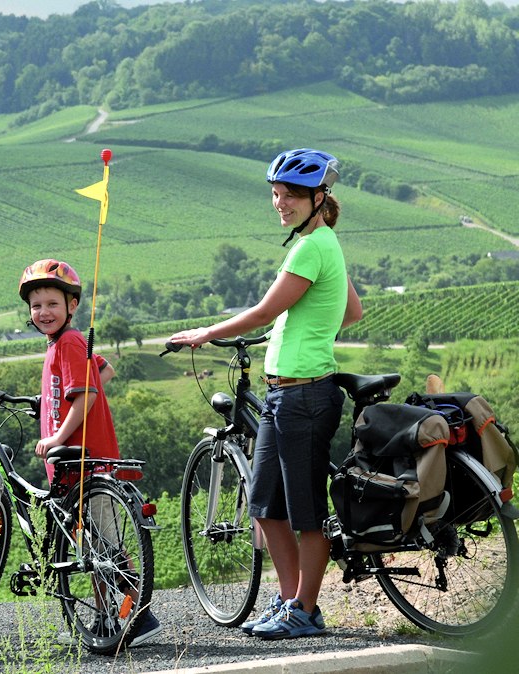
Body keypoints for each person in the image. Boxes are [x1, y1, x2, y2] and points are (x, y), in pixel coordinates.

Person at [168, 148, 363, 640]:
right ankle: (291, 601)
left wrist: (204, 334)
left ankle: (306, 611)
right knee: (266, 505)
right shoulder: (324, 243)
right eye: (277, 195)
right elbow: (351, 310)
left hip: (306, 395)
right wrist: (304, 329)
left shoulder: (310, 247)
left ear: (319, 198)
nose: (281, 203)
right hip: (285, 394)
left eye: (292, 195)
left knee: (306, 513)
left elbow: (260, 312)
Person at [19, 258, 162, 647]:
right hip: (75, 461)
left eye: (52, 303)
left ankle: (138, 614)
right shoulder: (65, 343)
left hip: (83, 456)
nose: (43, 312)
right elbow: (104, 371)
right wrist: (51, 401)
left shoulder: (68, 342)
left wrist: (57, 436)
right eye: (36, 306)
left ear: (72, 306)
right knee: (94, 547)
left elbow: (86, 394)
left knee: (106, 545)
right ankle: (105, 616)